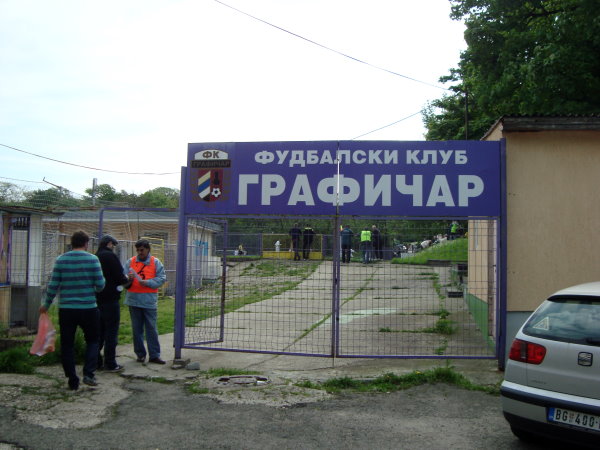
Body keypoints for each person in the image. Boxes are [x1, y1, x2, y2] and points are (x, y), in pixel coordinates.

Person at [39, 230, 105, 390]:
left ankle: (72, 379)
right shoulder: (93, 259)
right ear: (86, 243)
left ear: (72, 243)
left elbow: (53, 285)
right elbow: (100, 285)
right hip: (89, 308)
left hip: (67, 309)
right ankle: (89, 373)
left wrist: (46, 305)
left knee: (67, 344)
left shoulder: (61, 260)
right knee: (93, 340)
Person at [124, 239, 167, 364]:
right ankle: (140, 354)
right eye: (137, 250)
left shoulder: (156, 262)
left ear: (148, 249)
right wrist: (128, 278)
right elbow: (122, 277)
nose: (139, 252)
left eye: (141, 250)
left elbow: (161, 279)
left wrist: (148, 283)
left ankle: (154, 355)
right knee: (137, 330)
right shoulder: (130, 262)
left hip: (149, 301)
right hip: (133, 300)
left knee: (151, 329)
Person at [95, 235, 128, 372]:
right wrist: (127, 279)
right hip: (110, 298)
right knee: (111, 332)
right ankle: (110, 362)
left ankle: (96, 361)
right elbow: (120, 277)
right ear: (109, 244)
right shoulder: (110, 257)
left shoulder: (95, 256)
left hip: (96, 299)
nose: (114, 247)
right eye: (113, 245)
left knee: (98, 332)